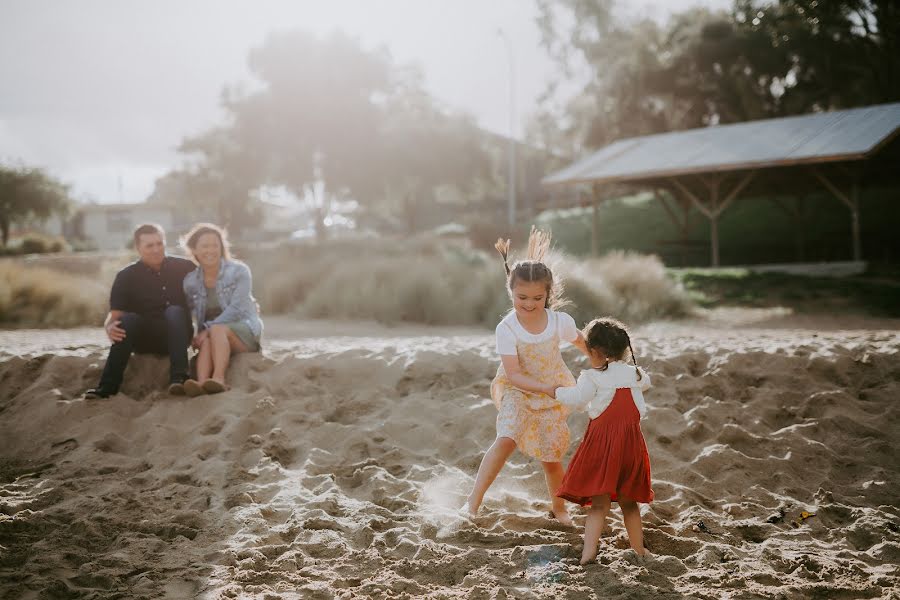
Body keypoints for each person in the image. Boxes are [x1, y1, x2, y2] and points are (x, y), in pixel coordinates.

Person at [465, 227, 589, 525]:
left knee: (551, 457)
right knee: (506, 438)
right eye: (522, 297)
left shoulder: (560, 321)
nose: (530, 304)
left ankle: (560, 509)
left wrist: (604, 363)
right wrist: (545, 388)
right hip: (519, 388)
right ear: (511, 292)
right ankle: (472, 502)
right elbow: (515, 374)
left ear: (548, 294)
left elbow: (583, 343)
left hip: (553, 390)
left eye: (537, 297)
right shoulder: (507, 328)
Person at [553, 317, 653, 564]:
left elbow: (577, 399)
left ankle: (588, 553)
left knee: (599, 505)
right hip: (631, 447)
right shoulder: (637, 374)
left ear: (596, 351)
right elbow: (646, 384)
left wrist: (554, 391)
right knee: (630, 504)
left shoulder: (592, 377)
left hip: (603, 447)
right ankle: (639, 549)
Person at [84, 224, 195, 399]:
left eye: (159, 243)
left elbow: (205, 299)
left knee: (174, 311)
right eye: (149, 245)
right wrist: (108, 327)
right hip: (144, 340)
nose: (156, 249)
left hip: (179, 335)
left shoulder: (185, 267)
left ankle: (179, 379)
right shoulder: (126, 276)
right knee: (127, 320)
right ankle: (107, 387)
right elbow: (114, 317)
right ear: (138, 248)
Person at [180, 223, 262, 396]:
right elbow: (186, 312)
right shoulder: (190, 281)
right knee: (210, 337)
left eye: (215, 245)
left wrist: (208, 329)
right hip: (213, 336)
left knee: (215, 330)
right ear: (194, 250)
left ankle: (218, 379)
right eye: (204, 246)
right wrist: (194, 336)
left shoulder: (239, 271)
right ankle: (201, 384)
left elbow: (237, 307)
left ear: (221, 247)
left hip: (245, 332)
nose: (210, 250)